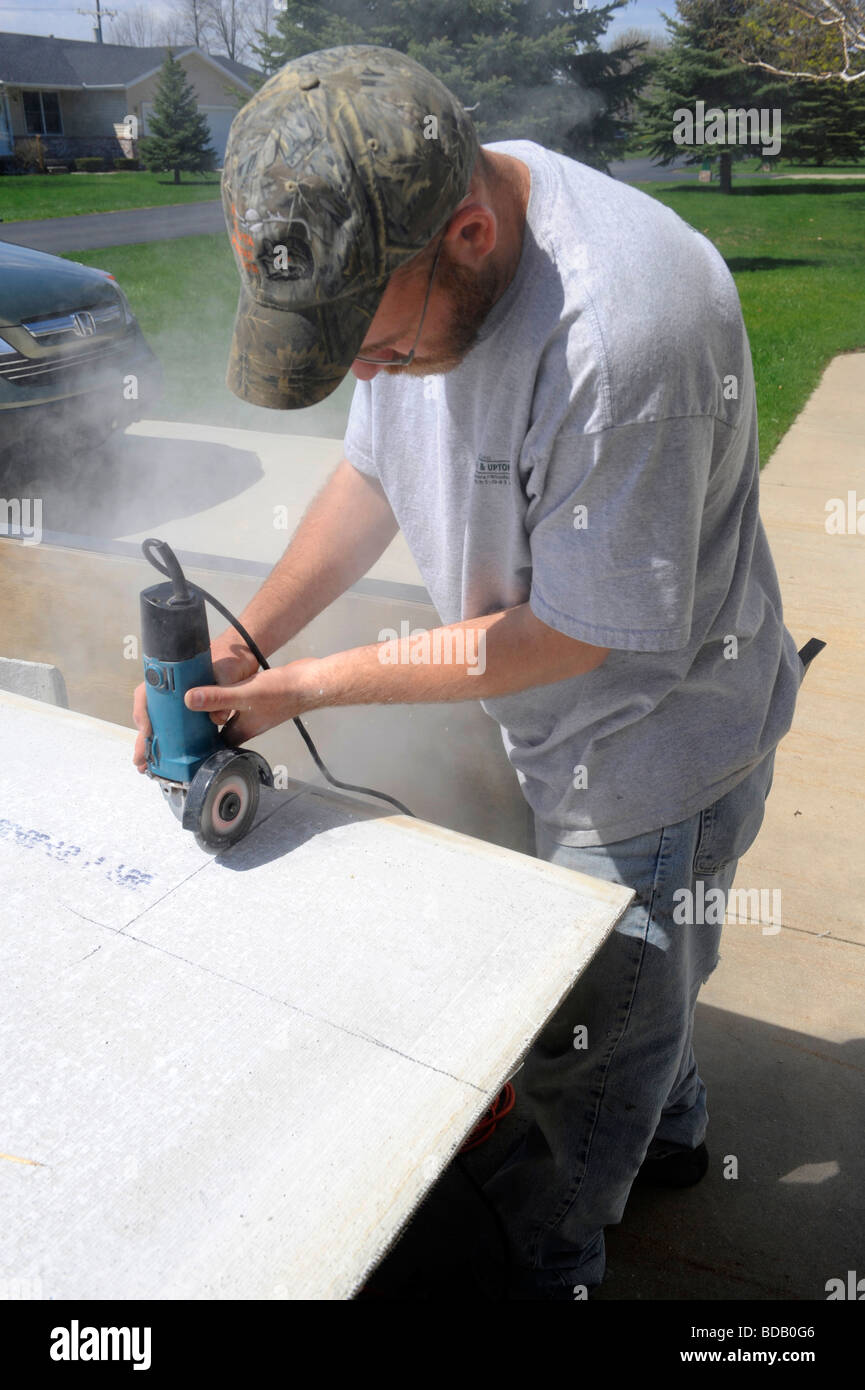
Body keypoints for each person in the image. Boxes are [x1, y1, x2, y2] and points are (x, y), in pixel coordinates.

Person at [132, 44, 803, 1299]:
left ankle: (552, 1251)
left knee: (585, 1050)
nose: (367, 376)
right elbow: (371, 475)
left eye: (374, 351)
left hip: (654, 759)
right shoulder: (407, 267)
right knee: (644, 1004)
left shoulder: (626, 336)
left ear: (472, 232)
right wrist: (248, 643)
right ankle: (668, 1127)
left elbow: (569, 635)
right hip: (557, 722)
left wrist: (309, 689)